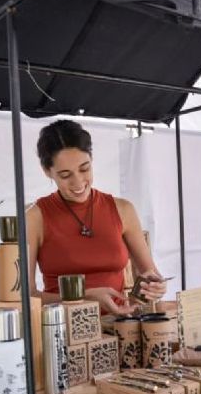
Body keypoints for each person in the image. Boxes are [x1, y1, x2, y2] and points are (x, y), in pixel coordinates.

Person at [27, 119, 166, 314]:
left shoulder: (123, 210)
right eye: (65, 175)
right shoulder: (34, 217)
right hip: (63, 332)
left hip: (120, 328)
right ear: (47, 171)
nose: (78, 182)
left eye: (85, 169)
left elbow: (148, 274)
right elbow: (26, 296)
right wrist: (82, 297)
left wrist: (154, 286)